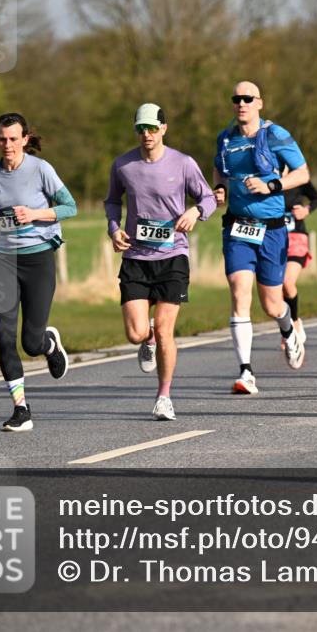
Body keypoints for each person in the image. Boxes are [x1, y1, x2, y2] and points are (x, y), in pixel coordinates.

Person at [105, 103, 216, 420]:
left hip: (172, 257)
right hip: (136, 258)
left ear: (164, 128)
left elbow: (206, 197)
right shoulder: (123, 165)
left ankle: (164, 396)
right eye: (141, 128)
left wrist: (195, 211)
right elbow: (112, 201)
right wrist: (114, 230)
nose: (147, 134)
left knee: (166, 330)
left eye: (153, 128)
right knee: (136, 334)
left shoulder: (183, 163)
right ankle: (147, 338)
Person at [0, 112, 77, 432]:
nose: (8, 145)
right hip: (3, 259)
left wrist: (35, 214)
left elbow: (70, 206)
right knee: (3, 335)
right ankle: (21, 408)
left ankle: (48, 344)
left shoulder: (41, 170)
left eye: (14, 139)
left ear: (25, 140)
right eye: (2, 139)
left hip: (39, 258)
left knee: (29, 342)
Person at [212, 81, 311, 394]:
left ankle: (288, 328)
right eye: (236, 98)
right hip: (238, 228)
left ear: (259, 103)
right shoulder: (225, 138)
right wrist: (219, 190)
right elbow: (219, 169)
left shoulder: (275, 134)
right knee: (240, 291)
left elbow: (302, 173)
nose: (241, 103)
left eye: (247, 98)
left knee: (271, 304)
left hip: (271, 228)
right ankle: (246, 372)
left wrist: (272, 186)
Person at [281, 179, 317, 346]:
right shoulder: (265, 175)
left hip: (296, 238)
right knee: (276, 290)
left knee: (287, 283)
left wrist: (306, 210)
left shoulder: (297, 175)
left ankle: (295, 321)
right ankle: (286, 330)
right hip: (273, 238)